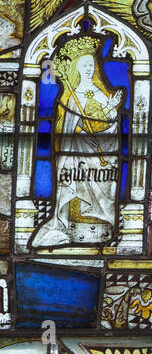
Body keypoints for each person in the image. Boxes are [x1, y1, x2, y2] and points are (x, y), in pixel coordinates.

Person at [33, 35, 123, 249]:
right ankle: (75, 230)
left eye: (91, 64)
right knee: (79, 190)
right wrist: (86, 126)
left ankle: (103, 228)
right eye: (84, 64)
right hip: (77, 160)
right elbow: (67, 128)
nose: (88, 68)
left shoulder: (102, 93)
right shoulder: (70, 97)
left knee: (103, 190)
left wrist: (110, 110)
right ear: (75, 67)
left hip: (103, 161)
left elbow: (110, 126)